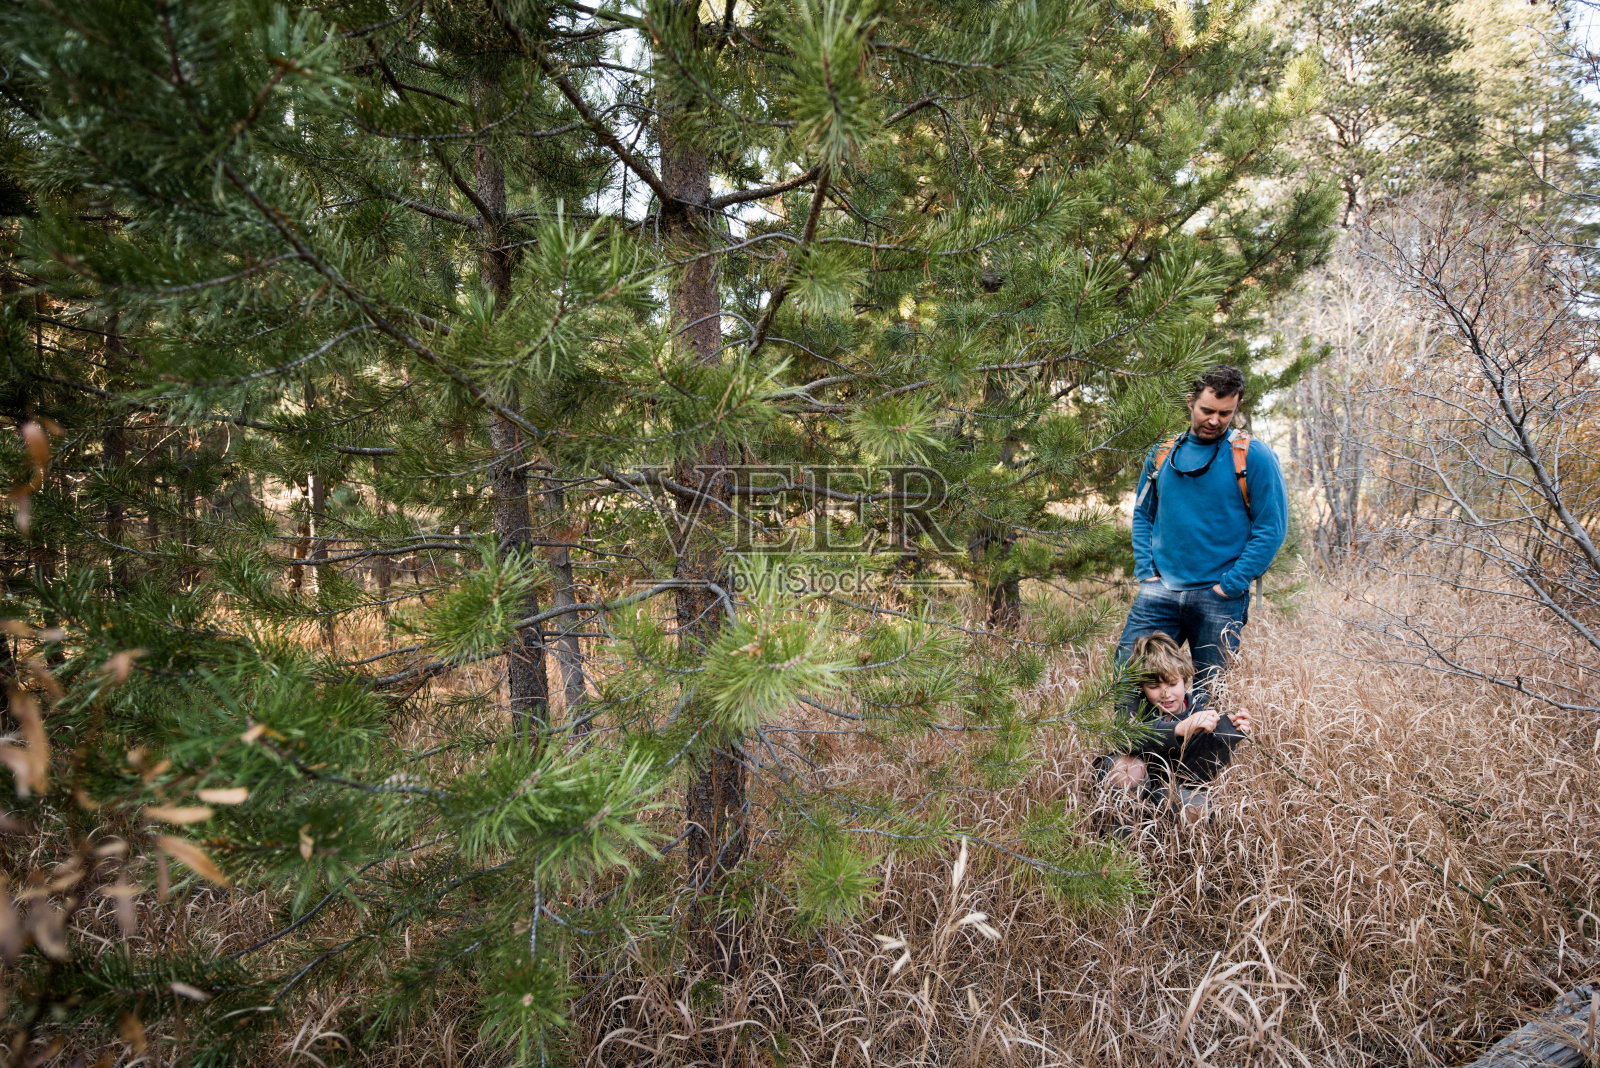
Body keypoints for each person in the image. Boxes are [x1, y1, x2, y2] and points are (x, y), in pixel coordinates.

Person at [1119, 364, 1288, 707]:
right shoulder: (1162, 453)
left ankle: (1198, 745)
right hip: (1160, 591)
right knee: (1130, 683)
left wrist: (1231, 585)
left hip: (1219, 597)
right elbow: (1143, 513)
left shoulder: (1253, 455)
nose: (1214, 420)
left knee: (1210, 695)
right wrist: (1147, 572)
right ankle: (1137, 745)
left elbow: (1271, 528)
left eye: (1225, 413)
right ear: (1190, 402)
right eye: (1207, 410)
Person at [1099, 632, 1251, 823]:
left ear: (1184, 678)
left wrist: (1228, 733)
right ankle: (1121, 834)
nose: (1166, 694)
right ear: (1141, 686)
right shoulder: (1133, 703)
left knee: (1199, 809)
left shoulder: (1196, 711)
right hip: (1134, 781)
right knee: (1128, 770)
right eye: (1153, 686)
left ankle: (1160, 832)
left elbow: (1200, 773)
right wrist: (1178, 729)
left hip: (1168, 790)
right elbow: (1127, 736)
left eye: (1172, 683)